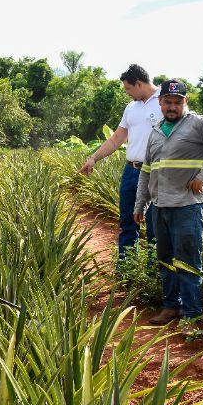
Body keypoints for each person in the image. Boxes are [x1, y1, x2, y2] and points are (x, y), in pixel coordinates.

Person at [133, 79, 203, 333]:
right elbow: (147, 171)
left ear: (185, 102)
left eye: (177, 102)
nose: (172, 106)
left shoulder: (199, 124)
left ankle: (192, 315)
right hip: (159, 205)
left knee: (188, 260)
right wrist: (140, 204)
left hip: (187, 205)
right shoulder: (156, 131)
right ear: (160, 103)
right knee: (165, 259)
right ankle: (171, 306)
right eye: (168, 102)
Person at [80, 64, 160, 259]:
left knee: (154, 227)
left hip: (156, 173)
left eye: (128, 89)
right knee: (127, 222)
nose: (127, 93)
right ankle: (126, 270)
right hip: (131, 171)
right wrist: (93, 158)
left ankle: (151, 275)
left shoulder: (165, 101)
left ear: (139, 84)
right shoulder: (131, 107)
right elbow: (117, 138)